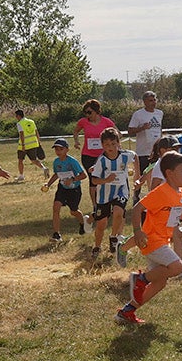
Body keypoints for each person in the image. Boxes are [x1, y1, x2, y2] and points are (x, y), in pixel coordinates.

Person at [115, 151, 182, 326]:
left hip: (163, 240)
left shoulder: (181, 194)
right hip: (151, 239)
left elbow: (174, 211)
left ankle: (126, 312)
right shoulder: (161, 191)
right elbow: (137, 209)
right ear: (170, 173)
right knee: (177, 267)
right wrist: (137, 231)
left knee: (160, 283)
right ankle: (140, 279)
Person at [89, 126, 139, 260]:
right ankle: (97, 246)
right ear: (102, 145)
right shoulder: (101, 160)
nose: (110, 147)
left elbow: (135, 157)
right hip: (104, 195)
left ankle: (113, 237)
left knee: (118, 212)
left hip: (121, 190)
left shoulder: (125, 156)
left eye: (113, 143)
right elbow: (94, 180)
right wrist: (106, 180)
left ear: (118, 143)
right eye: (106, 144)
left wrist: (137, 177)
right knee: (101, 224)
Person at [41, 138, 93, 242]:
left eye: (61, 149)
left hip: (74, 190)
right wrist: (48, 184)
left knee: (73, 211)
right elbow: (57, 174)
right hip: (62, 188)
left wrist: (72, 179)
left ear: (67, 150)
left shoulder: (72, 162)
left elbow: (83, 175)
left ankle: (83, 222)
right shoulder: (56, 162)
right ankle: (56, 234)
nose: (58, 151)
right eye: (56, 149)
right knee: (56, 207)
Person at [72, 99, 118, 172]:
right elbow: (75, 131)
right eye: (85, 113)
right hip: (87, 155)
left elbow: (118, 134)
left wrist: (110, 142)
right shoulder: (83, 121)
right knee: (93, 177)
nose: (87, 115)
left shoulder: (106, 121)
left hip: (104, 155)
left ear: (96, 111)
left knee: (104, 176)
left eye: (89, 112)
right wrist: (76, 141)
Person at [126, 91, 164, 174]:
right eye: (150, 100)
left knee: (157, 175)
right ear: (145, 102)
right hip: (143, 152)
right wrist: (142, 128)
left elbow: (159, 129)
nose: (153, 103)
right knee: (142, 176)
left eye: (154, 100)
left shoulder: (159, 113)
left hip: (156, 151)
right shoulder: (138, 114)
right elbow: (130, 131)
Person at [14, 109, 47, 181]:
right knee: (33, 160)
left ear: (19, 116)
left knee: (20, 160)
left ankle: (21, 175)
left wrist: (23, 145)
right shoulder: (31, 121)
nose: (16, 117)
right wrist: (38, 142)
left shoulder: (20, 123)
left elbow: (22, 134)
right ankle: (44, 168)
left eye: (16, 116)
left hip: (24, 145)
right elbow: (36, 132)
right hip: (34, 144)